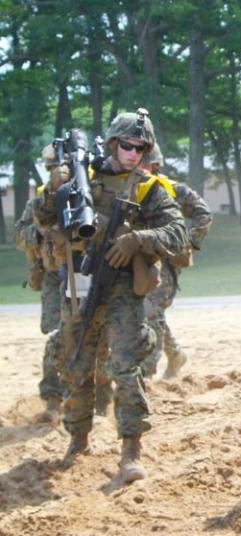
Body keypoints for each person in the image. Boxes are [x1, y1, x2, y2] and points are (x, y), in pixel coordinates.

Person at [34, 109, 187, 484]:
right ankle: (78, 439)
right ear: (113, 143)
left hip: (121, 287)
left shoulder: (148, 188)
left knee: (125, 367)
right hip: (79, 281)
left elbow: (179, 232)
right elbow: (42, 218)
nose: (133, 154)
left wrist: (140, 239)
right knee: (76, 364)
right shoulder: (80, 176)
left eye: (141, 148)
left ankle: (131, 449)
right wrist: (54, 187)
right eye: (127, 146)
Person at [14, 147, 112, 423]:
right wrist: (43, 230)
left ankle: (102, 400)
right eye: (55, 166)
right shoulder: (40, 200)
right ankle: (53, 400)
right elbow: (20, 236)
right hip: (54, 276)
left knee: (100, 336)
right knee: (58, 335)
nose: (60, 171)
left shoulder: (91, 190)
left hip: (88, 272)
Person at [139, 144, 213, 379]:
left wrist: (188, 242)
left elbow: (203, 213)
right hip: (135, 262)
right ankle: (176, 354)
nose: (139, 167)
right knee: (148, 313)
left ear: (154, 165)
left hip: (165, 265)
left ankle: (148, 373)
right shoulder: (127, 188)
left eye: (144, 162)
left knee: (151, 311)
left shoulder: (171, 189)